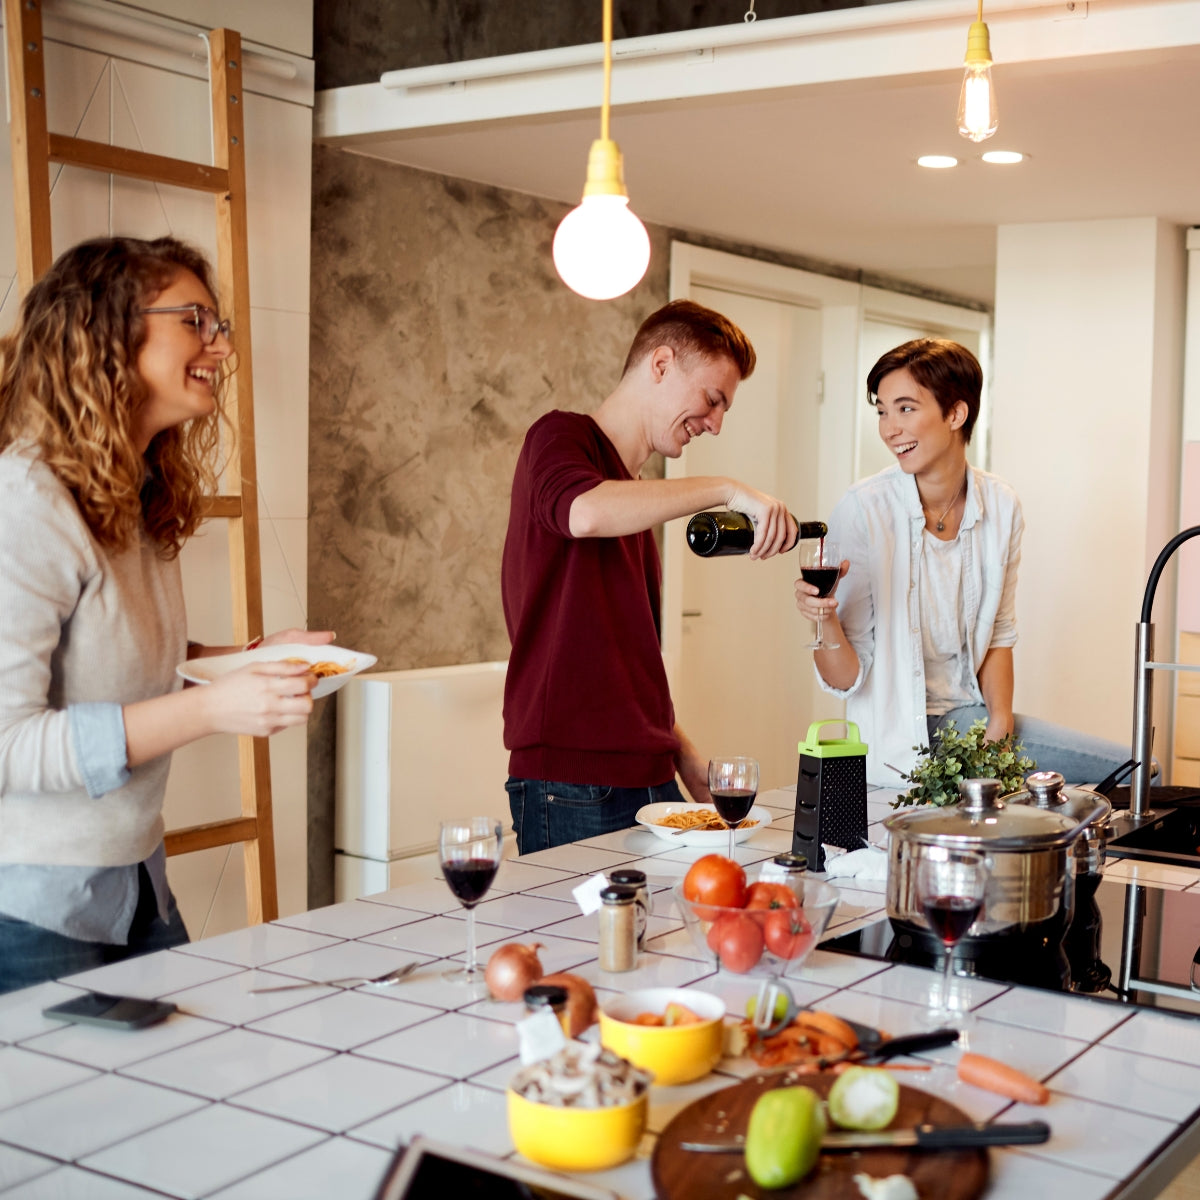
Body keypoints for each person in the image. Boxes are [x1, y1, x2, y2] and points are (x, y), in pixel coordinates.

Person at [0, 236, 333, 995]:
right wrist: (216, 706)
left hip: (135, 885)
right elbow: (7, 742)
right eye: (195, 320)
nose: (220, 346)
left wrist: (246, 660)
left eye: (218, 325)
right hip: (30, 910)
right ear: (110, 332)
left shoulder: (134, 490)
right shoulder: (24, 502)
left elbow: (118, 659)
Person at [502, 299, 797, 853]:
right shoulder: (561, 437)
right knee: (589, 944)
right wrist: (726, 490)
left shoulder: (633, 496)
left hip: (649, 775)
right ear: (661, 364)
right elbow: (581, 512)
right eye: (712, 400)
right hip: (574, 783)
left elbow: (623, 663)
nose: (714, 424)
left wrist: (682, 754)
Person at [794, 337, 1131, 788]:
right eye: (882, 411)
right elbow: (846, 678)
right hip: (901, 737)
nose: (890, 428)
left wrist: (1000, 723)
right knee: (1137, 776)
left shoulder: (1001, 505)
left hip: (973, 721)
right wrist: (824, 621)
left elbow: (999, 633)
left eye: (906, 409)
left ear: (955, 414)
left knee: (1140, 773)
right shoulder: (863, 510)